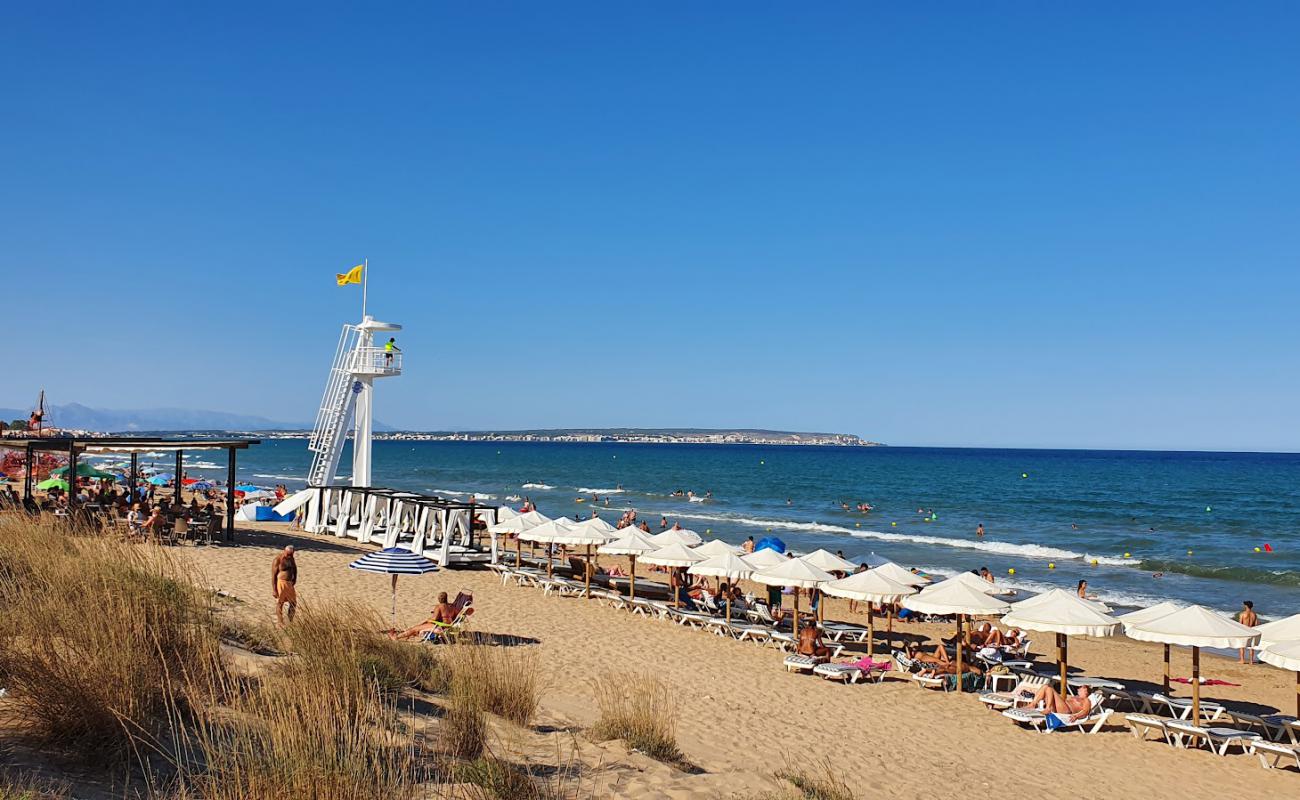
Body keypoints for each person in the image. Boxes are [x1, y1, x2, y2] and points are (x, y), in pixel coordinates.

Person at [393, 591, 459, 640]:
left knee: (415, 628)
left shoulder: (439, 606)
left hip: (439, 627)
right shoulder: (452, 607)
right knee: (421, 626)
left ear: (439, 599)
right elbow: (458, 614)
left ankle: (396, 637)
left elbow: (435, 619)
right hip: (448, 626)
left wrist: (429, 619)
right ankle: (408, 635)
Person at [1028, 684, 1094, 722]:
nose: (1078, 689)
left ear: (1085, 691)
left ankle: (1048, 708)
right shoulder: (1076, 697)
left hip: (1066, 711)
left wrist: (1076, 716)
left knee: (1049, 688)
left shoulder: (1086, 700)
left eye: (1080, 688)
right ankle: (1033, 704)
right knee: (1046, 687)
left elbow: (1085, 711)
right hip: (1059, 707)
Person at [271, 545, 298, 625]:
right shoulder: (278, 560)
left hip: (289, 583)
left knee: (293, 603)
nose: (289, 556)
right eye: (288, 554)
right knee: (280, 603)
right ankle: (280, 622)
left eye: (291, 554)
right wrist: (274, 590)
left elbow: (295, 569)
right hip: (281, 583)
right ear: (284, 551)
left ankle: (290, 621)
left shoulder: (291, 559)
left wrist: (294, 579)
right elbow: (273, 576)